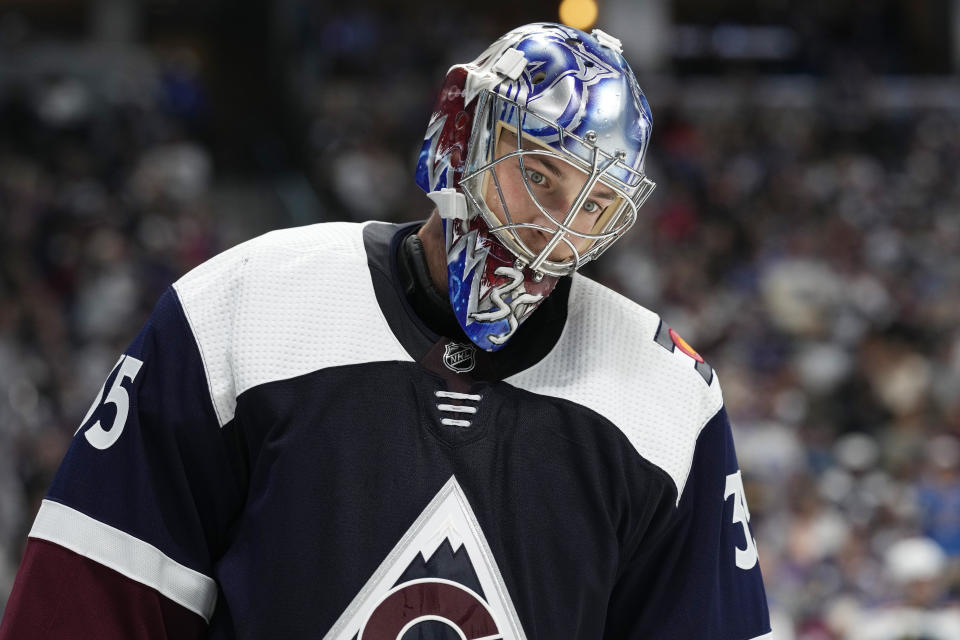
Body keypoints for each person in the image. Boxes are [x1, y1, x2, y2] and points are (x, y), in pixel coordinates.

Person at [0, 23, 771, 639]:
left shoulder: (672, 402)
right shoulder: (237, 306)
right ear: (459, 130)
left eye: (594, 207)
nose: (554, 231)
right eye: (537, 174)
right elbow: (89, 602)